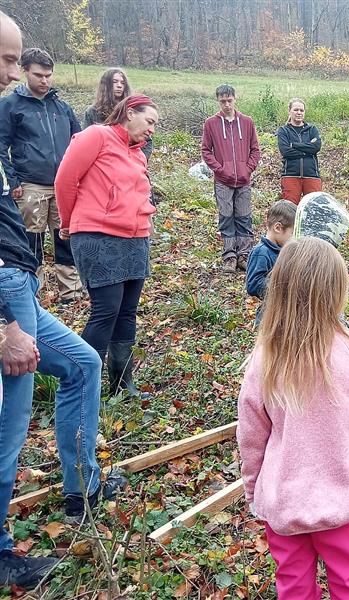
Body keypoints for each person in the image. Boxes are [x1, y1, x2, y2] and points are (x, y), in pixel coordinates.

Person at [0, 11, 123, 589]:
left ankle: (81, 488)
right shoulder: (11, 110)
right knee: (10, 423)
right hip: (6, 296)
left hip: (19, 284)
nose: (12, 73)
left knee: (82, 364)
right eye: (7, 60)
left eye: (15, 59)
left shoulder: (55, 110)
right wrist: (5, 324)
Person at [237, 237, 349, 599]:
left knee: (293, 587)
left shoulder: (264, 360)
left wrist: (253, 489)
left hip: (284, 503)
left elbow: (251, 435)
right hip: (343, 501)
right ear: (335, 293)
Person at [54, 94, 158, 398]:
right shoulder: (96, 136)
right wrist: (69, 223)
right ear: (130, 112)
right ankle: (80, 386)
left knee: (127, 311)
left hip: (135, 238)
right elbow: (65, 180)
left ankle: (122, 385)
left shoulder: (137, 154)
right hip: (98, 235)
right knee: (106, 310)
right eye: (149, 121)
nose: (152, 129)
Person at [0, 47, 83, 303]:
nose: (44, 80)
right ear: (25, 71)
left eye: (48, 75)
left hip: (63, 185)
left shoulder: (62, 107)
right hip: (30, 185)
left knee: (65, 237)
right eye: (38, 75)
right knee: (31, 240)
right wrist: (13, 180)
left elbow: (79, 143)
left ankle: (71, 292)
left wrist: (79, 178)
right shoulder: (11, 106)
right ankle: (33, 293)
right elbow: (1, 145)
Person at [201, 84, 261, 272]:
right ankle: (229, 256)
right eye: (223, 101)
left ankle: (244, 254)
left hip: (243, 180)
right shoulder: (211, 123)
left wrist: (247, 169)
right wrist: (220, 170)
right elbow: (206, 151)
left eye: (229, 100)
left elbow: (255, 150)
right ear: (218, 101)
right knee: (226, 217)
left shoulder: (247, 122)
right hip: (223, 181)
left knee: (244, 216)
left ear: (235, 99)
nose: (227, 105)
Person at [83, 68, 154, 161]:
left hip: (130, 162)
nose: (119, 85)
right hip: (103, 162)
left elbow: (147, 142)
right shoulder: (93, 112)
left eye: (122, 83)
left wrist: (138, 161)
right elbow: (86, 142)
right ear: (106, 84)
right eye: (115, 82)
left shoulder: (132, 111)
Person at [246, 200, 296, 324]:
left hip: (285, 311)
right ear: (278, 228)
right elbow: (253, 284)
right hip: (269, 315)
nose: (295, 239)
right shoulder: (261, 252)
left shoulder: (283, 249)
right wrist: (282, 285)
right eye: (292, 233)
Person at [277, 98, 322, 205]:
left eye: (301, 110)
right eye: (296, 110)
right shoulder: (283, 131)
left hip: (312, 175)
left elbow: (316, 147)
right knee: (290, 209)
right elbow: (285, 151)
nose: (299, 112)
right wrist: (308, 151)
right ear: (289, 111)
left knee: (313, 208)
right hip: (290, 175)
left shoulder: (312, 129)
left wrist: (294, 145)